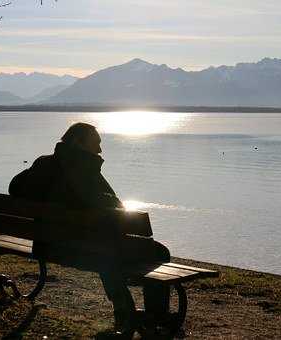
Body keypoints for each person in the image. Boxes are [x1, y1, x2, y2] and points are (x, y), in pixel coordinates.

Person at [9, 122, 170, 332]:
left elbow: (14, 188)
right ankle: (154, 317)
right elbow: (116, 210)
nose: (100, 150)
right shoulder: (86, 170)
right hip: (84, 249)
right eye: (96, 144)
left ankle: (126, 308)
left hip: (46, 245)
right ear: (78, 142)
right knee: (158, 252)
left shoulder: (43, 164)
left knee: (104, 247)